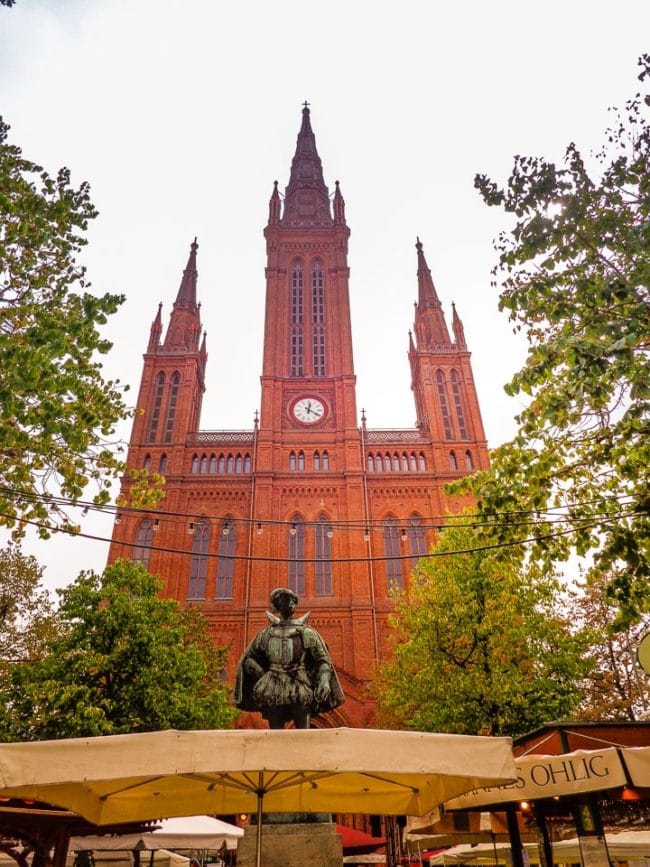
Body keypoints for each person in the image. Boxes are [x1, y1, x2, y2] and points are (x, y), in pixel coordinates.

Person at [234, 587, 344, 728]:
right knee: (275, 731)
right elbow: (249, 658)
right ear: (277, 605)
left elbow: (323, 660)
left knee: (303, 729)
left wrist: (324, 681)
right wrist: (262, 675)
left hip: (300, 685)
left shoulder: (306, 632)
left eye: (293, 600)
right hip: (273, 688)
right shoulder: (267, 634)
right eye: (285, 600)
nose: (290, 603)